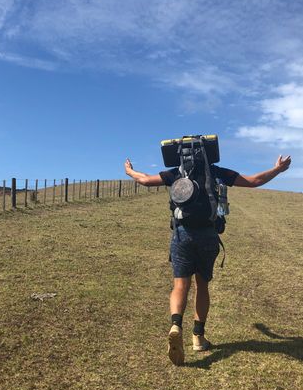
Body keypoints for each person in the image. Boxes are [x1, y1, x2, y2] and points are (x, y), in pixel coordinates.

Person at [124, 153, 291, 366]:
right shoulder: (217, 172)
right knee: (202, 286)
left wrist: (130, 171)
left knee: (179, 285)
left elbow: (145, 180)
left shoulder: (176, 173)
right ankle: (198, 337)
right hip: (208, 235)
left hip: (182, 234)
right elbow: (254, 181)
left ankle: (176, 325)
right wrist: (277, 169)